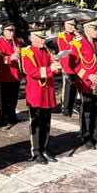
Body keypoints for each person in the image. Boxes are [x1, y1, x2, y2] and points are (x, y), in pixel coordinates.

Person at [21, 24, 61, 163]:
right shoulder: (27, 52)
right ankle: (36, 151)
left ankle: (44, 148)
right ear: (32, 38)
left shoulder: (47, 50)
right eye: (40, 37)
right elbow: (31, 71)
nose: (43, 40)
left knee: (46, 122)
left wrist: (56, 66)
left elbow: (52, 66)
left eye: (44, 37)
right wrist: (51, 69)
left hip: (47, 91)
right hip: (36, 92)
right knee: (36, 123)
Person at [69, 19, 97, 149]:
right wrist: (87, 76)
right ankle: (86, 137)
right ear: (87, 28)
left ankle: (95, 135)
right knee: (87, 110)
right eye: (95, 29)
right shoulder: (77, 43)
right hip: (86, 82)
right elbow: (72, 64)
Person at [0, 23, 23, 127]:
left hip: (16, 73)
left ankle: (12, 116)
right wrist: (11, 58)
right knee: (5, 99)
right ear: (3, 31)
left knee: (14, 97)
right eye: (9, 30)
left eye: (13, 30)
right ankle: (3, 118)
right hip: (5, 74)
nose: (11, 32)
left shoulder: (16, 41)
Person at [57, 19, 79, 118]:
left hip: (76, 65)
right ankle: (65, 108)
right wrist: (73, 43)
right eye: (69, 24)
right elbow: (63, 48)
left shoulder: (76, 35)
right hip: (66, 65)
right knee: (67, 88)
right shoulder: (61, 35)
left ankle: (72, 105)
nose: (71, 26)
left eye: (73, 25)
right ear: (64, 25)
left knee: (75, 87)